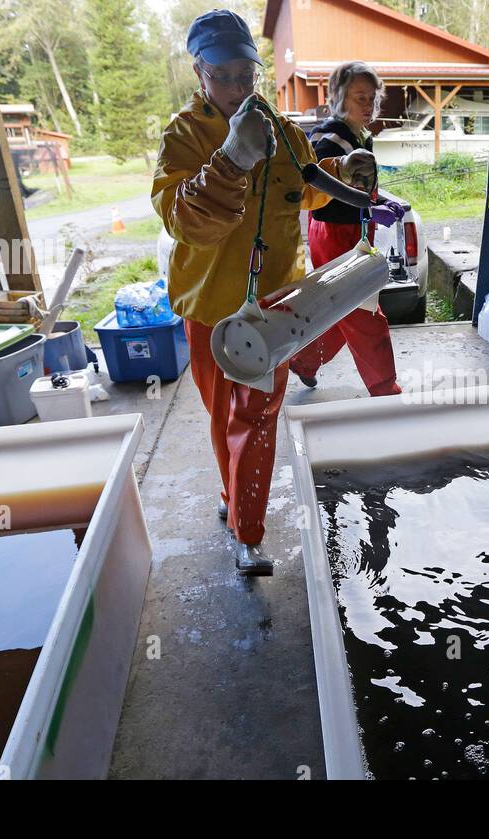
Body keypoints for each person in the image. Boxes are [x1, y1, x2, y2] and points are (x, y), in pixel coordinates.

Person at [152, 10, 378, 576]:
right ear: (199, 72)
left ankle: (247, 534)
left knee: (256, 419)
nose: (235, 88)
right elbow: (185, 222)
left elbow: (303, 189)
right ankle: (234, 499)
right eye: (221, 75)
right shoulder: (182, 136)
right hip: (208, 310)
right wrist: (230, 158)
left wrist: (345, 173)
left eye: (244, 74)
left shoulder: (280, 128)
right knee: (220, 414)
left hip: (272, 312)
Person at [289, 61, 407, 395]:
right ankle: (385, 389)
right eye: (360, 98)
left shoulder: (358, 136)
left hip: (351, 230)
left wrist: (379, 198)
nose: (368, 106)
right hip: (333, 232)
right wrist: (370, 206)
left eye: (372, 98)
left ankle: (304, 360)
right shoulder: (329, 141)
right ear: (339, 98)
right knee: (366, 311)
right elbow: (322, 187)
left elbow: (358, 185)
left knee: (342, 306)